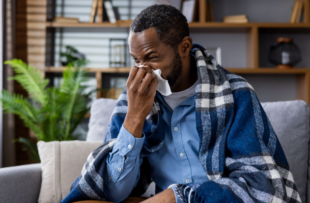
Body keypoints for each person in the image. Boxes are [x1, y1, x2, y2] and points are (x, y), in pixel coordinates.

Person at [62, 4, 301, 203]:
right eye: (136, 60)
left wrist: (179, 196)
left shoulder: (234, 93)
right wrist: (134, 118)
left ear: (184, 47)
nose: (142, 69)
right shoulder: (132, 99)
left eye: (152, 57)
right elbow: (114, 191)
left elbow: (263, 184)